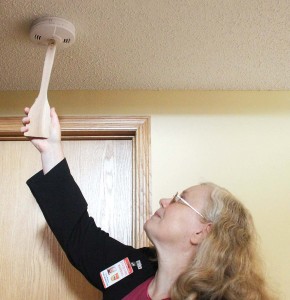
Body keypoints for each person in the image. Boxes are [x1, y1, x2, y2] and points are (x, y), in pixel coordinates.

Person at [21, 107, 274, 300]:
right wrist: (50, 149)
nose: (165, 201)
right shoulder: (133, 270)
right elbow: (79, 235)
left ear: (201, 231)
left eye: (180, 199)